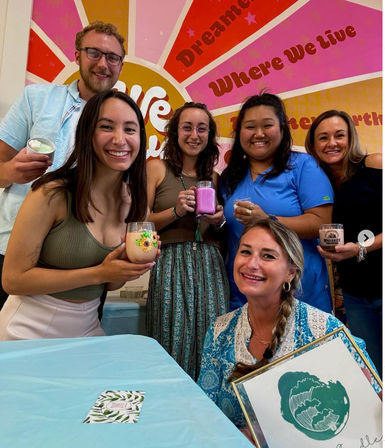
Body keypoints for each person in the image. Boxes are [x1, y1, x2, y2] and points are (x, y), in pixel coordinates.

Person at [0, 90, 153, 340]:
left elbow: (111, 284)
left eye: (130, 129)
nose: (119, 139)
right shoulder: (52, 193)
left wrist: (129, 266)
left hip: (87, 327)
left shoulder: (136, 205)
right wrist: (100, 273)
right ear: (87, 134)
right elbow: (13, 280)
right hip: (26, 329)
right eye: (107, 127)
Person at [198, 217, 377, 430]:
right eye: (245, 252)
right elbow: (204, 414)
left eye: (268, 256)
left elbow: (374, 409)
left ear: (290, 273)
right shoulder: (220, 331)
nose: (251, 264)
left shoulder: (325, 332)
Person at [0, 20, 125, 308]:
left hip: (85, 256)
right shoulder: (37, 99)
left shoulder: (122, 119)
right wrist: (11, 172)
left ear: (121, 64)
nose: (103, 64)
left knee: (74, 349)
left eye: (112, 57)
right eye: (94, 53)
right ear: (77, 55)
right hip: (15, 250)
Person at [220, 92, 334, 312]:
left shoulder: (303, 166)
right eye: (250, 127)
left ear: (282, 129)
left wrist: (268, 220)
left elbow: (322, 224)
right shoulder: (230, 177)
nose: (258, 134)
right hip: (245, 293)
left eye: (267, 125)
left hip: (300, 292)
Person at [146, 101, 230, 380]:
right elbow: (140, 224)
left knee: (212, 338)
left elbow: (218, 232)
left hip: (209, 263)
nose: (194, 135)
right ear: (175, 132)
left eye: (202, 129)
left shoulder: (214, 177)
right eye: (187, 127)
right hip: (170, 261)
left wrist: (220, 220)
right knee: (171, 339)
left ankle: (208, 411)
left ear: (209, 136)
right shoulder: (156, 169)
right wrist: (176, 211)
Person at [305, 110, 382, 376]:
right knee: (372, 372)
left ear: (351, 137)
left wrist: (361, 247)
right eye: (323, 138)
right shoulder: (317, 182)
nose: (332, 143)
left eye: (339, 135)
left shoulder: (374, 165)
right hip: (354, 293)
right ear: (313, 145)